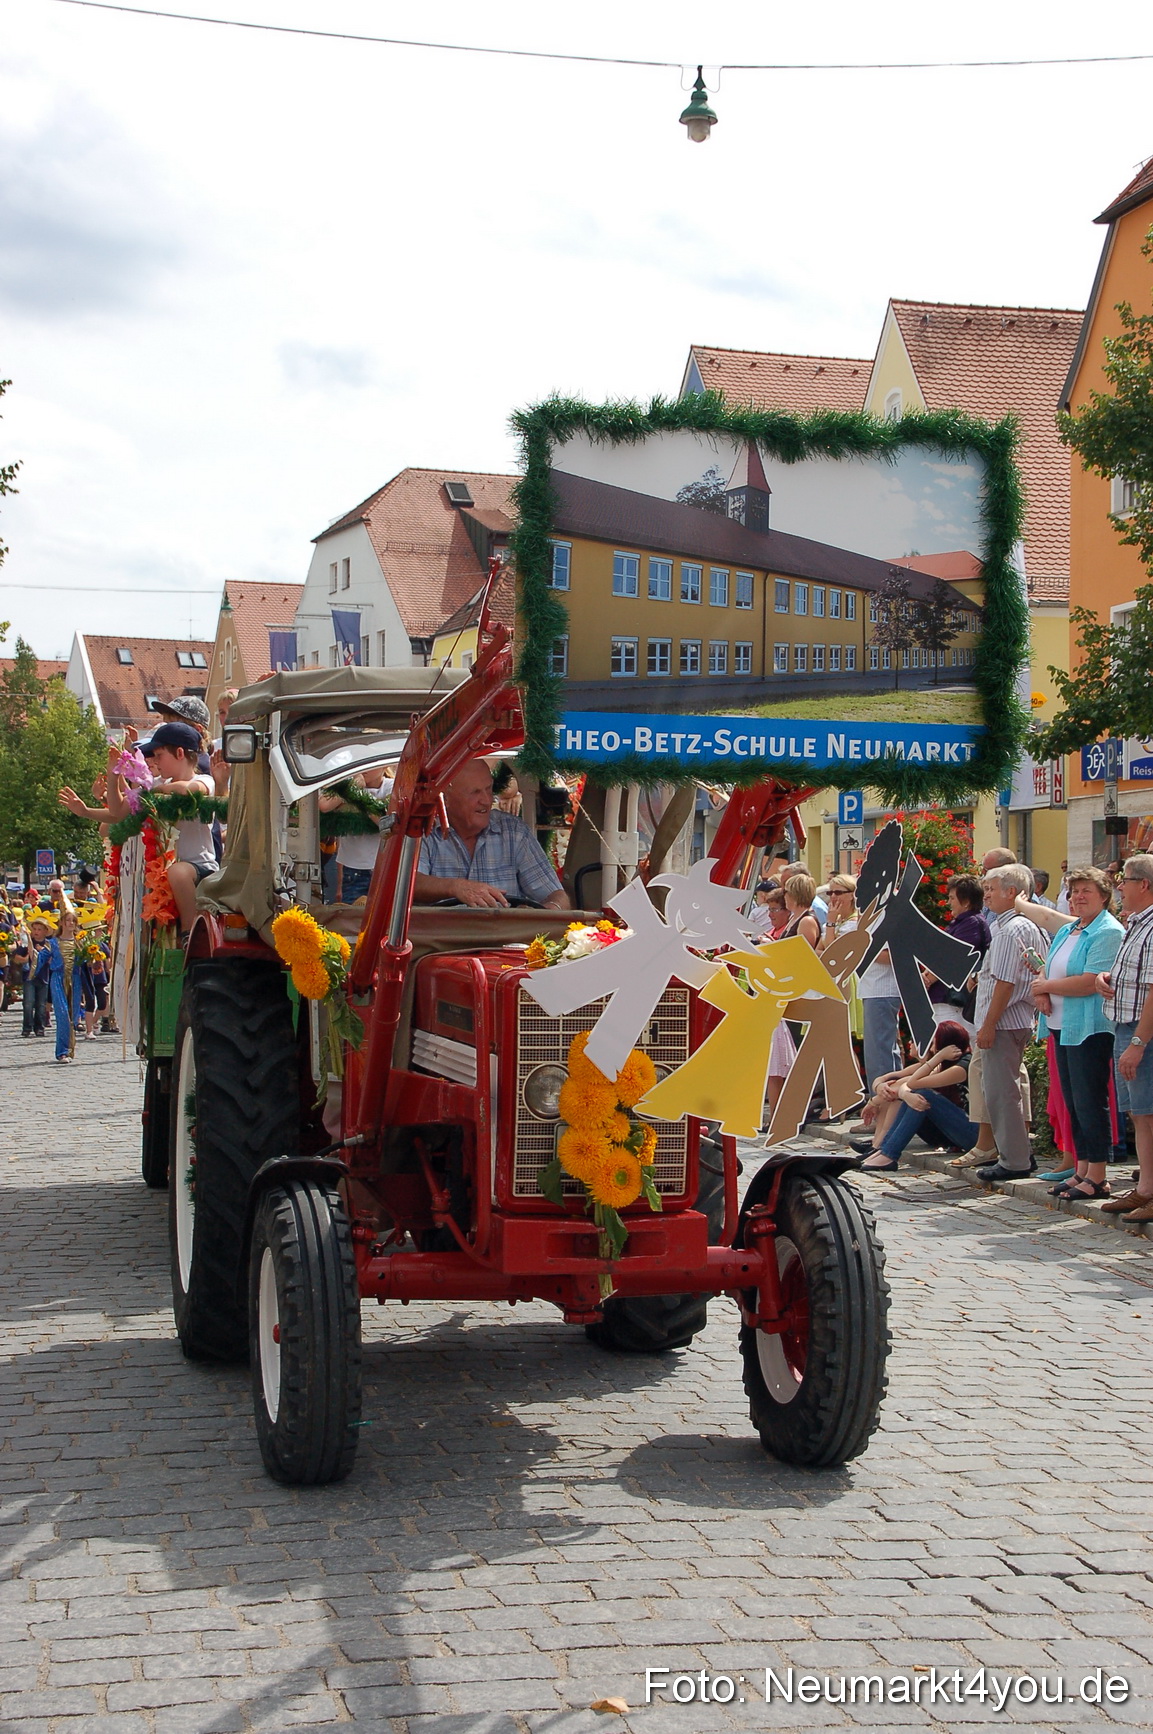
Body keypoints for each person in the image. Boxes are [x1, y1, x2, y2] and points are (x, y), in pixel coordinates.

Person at [1027, 866, 1123, 1202]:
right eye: (1074, 892)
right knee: (1073, 1102)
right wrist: (1041, 989)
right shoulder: (1071, 929)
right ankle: (1081, 1169)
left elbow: (1090, 980)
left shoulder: (1107, 931)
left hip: (1089, 1028)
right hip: (1061, 1025)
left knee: (1090, 1101)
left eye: (1086, 892)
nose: (1078, 898)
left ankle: (1097, 1174)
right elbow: (1049, 966)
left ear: (1104, 897)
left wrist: (1047, 985)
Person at [972, 864, 1046, 1182]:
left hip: (1003, 1023)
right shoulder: (1023, 925)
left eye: (992, 888)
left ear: (1012, 892)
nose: (986, 893)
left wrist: (988, 1025)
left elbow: (1004, 984)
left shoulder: (1011, 929)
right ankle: (1017, 1154)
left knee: (1001, 1093)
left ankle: (1014, 1160)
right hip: (1015, 1020)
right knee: (1007, 1090)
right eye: (985, 888)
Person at [414, 760, 569, 909]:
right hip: (442, 934)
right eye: (475, 792)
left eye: (488, 789)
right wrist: (455, 888)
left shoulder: (513, 832)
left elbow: (556, 895)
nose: (487, 801)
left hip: (507, 935)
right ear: (445, 799)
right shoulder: (423, 831)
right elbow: (409, 884)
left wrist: (549, 910)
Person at [1096, 853, 1153, 1223]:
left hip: (1140, 1033)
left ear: (1144, 885)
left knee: (1148, 1112)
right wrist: (1107, 979)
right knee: (1140, 1112)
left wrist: (1137, 1043)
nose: (1120, 886)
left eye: (1125, 880)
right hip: (1125, 1027)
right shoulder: (1136, 923)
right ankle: (1146, 1188)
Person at [857, 1022, 976, 1170]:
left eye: (933, 1041)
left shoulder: (961, 1067)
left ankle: (887, 1154)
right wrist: (899, 1093)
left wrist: (937, 1057)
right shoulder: (942, 1064)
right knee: (912, 1097)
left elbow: (913, 1083)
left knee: (921, 1095)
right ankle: (882, 1150)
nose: (930, 1046)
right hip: (950, 1132)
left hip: (973, 1134)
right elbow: (895, 1082)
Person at [923, 874, 989, 1037]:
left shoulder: (971, 922)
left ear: (966, 902)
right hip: (947, 998)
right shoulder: (962, 922)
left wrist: (927, 979)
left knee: (955, 1047)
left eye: (952, 898)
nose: (948, 902)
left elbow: (955, 956)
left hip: (956, 1001)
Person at [318, 767, 393, 904]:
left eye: (371, 763)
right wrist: (353, 786)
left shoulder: (391, 786)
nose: (365, 768)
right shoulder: (346, 785)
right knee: (352, 920)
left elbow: (385, 822)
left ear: (384, 766)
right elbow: (324, 805)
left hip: (385, 869)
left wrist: (358, 796)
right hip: (353, 871)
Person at [778, 873, 821, 948]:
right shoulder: (794, 917)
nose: (784, 896)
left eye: (785, 892)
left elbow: (805, 952)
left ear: (794, 894)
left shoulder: (807, 921)